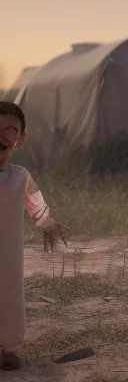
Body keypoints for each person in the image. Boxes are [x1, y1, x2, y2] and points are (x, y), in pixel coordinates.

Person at [0, 101, 69, 370]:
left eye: (10, 129)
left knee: (9, 295)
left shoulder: (19, 176)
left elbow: (34, 202)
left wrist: (47, 222)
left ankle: (8, 346)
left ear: (20, 139)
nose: (3, 135)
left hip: (8, 252)